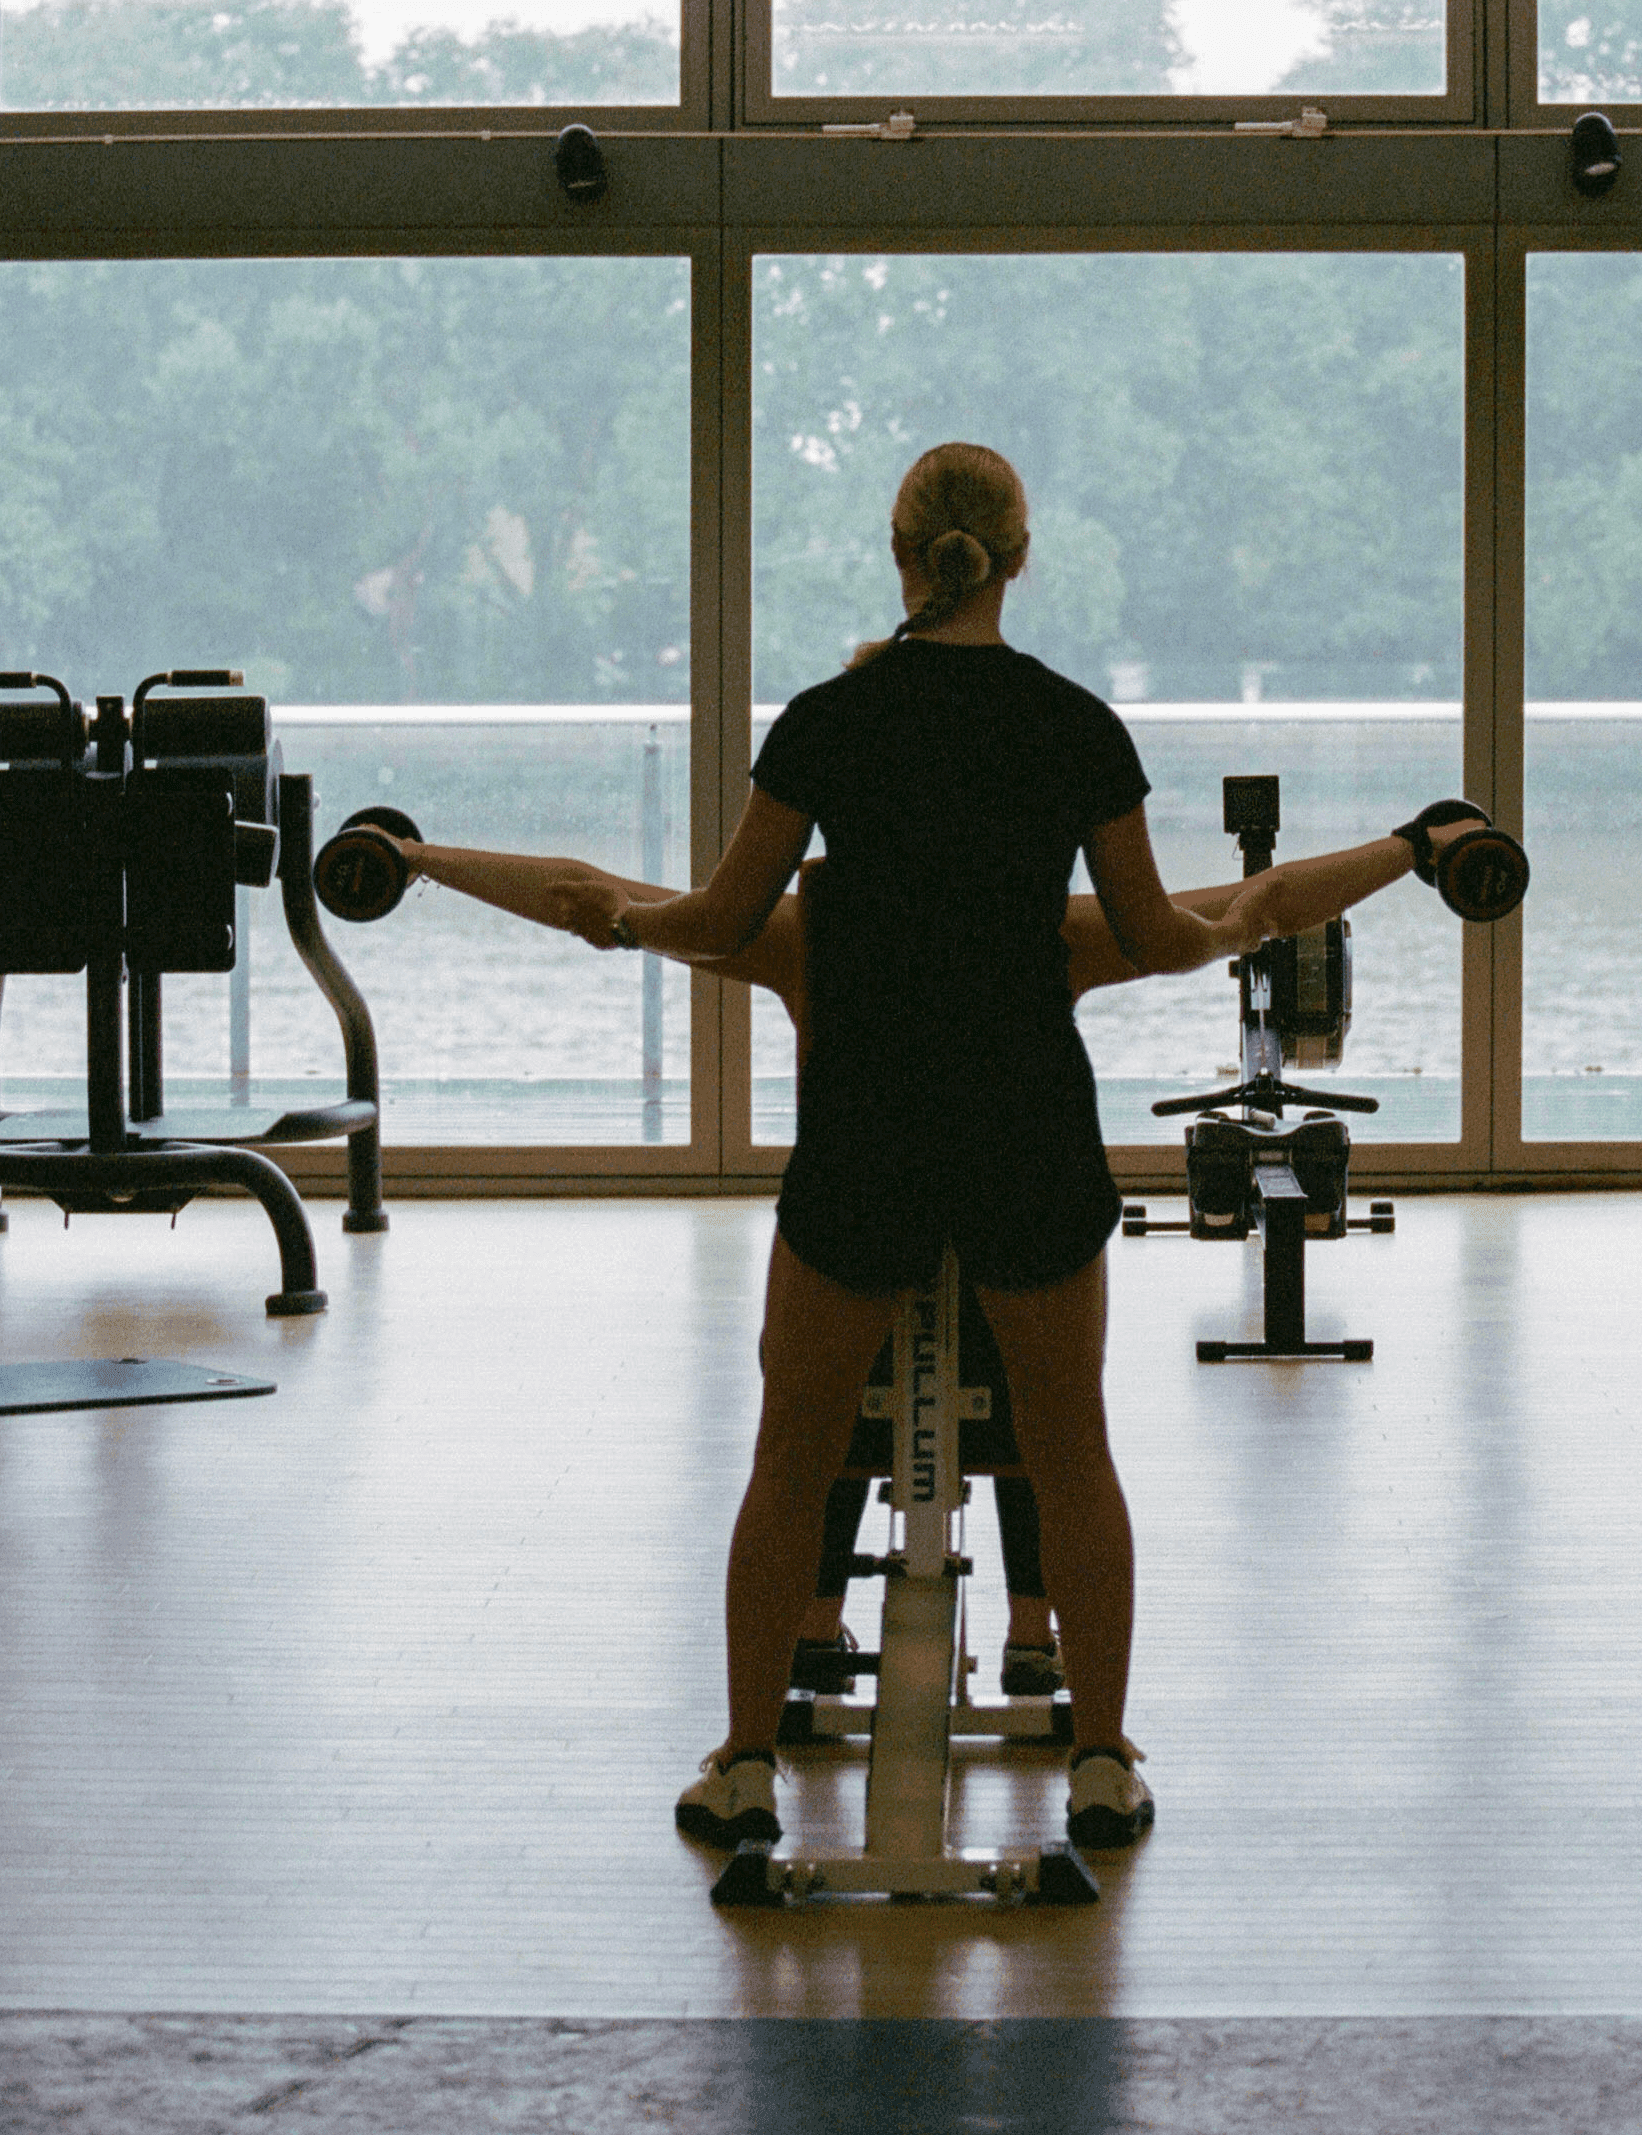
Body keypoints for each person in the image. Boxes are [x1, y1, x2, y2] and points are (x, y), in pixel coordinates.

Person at [385, 441, 1473, 1852]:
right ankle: (1102, 1758)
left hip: (867, 1133)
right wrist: (1337, 877)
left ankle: (740, 1763)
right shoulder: (1076, 725)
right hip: (1023, 1125)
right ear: (1015, 559)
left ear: (899, 552)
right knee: (1070, 1449)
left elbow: (707, 914)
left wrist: (604, 912)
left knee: (789, 1455)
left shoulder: (829, 725)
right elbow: (1180, 926)